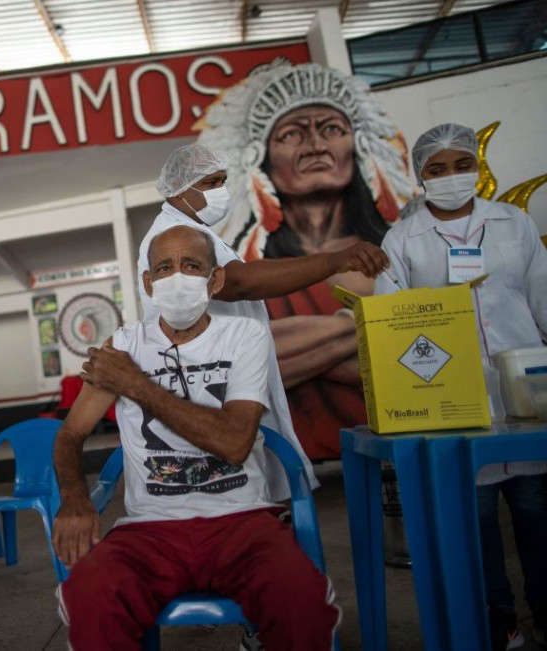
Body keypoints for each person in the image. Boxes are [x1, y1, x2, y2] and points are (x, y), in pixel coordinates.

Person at [54, 224, 341, 649]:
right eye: (164, 268)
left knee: (301, 602)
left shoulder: (244, 337)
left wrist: (136, 384)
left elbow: (234, 442)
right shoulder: (125, 345)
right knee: (92, 597)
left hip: (241, 521)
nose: (178, 277)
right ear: (149, 283)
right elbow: (71, 434)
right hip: (150, 529)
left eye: (191, 265)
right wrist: (75, 497)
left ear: (215, 279)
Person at [375, 123, 547, 650]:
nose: (451, 177)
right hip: (452, 398)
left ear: (476, 166)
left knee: (537, 513)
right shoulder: (402, 239)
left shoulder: (513, 224)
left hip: (525, 393)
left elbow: (542, 301)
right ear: (420, 176)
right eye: (437, 169)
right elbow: (391, 322)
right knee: (475, 524)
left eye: (460, 166)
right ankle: (501, 623)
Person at [139, 143, 391, 497]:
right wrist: (333, 261)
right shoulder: (169, 238)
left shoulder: (200, 234)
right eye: (212, 182)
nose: (221, 192)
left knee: (262, 495)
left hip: (232, 377)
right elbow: (239, 282)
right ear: (181, 189)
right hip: (207, 388)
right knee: (237, 497)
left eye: (223, 181)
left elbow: (243, 277)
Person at [198, 61, 416, 459]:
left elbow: (414, 351)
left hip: (397, 441)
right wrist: (369, 326)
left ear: (358, 145)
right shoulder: (245, 267)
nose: (316, 146)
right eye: (293, 134)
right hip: (290, 458)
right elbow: (239, 364)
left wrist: (300, 350)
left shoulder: (392, 248)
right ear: (260, 157)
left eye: (331, 129)